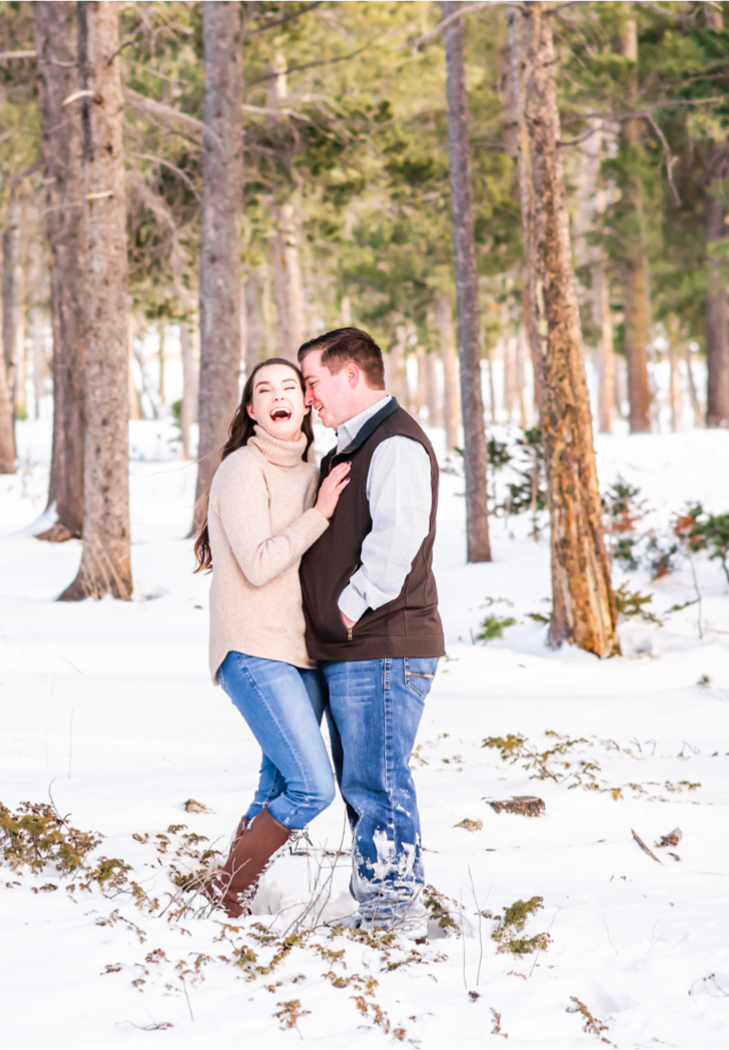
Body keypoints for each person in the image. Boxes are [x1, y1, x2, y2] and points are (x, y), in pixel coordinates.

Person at [296, 328, 445, 940]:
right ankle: (387, 903)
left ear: (351, 375)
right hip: (357, 647)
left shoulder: (395, 444)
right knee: (364, 783)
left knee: (377, 781)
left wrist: (348, 609)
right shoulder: (349, 449)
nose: (308, 398)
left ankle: (394, 914)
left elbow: (395, 543)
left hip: (384, 643)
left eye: (313, 382)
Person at [194, 357, 352, 918]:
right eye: (265, 389)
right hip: (252, 646)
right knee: (311, 786)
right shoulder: (242, 468)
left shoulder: (312, 470)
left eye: (290, 386)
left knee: (276, 780)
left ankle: (225, 898)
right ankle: (231, 892)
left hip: (299, 651)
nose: (279, 395)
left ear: (307, 402)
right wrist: (322, 513)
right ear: (251, 409)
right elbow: (260, 565)